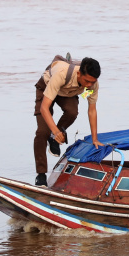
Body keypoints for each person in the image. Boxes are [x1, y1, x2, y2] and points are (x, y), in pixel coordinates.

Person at [33, 56, 102, 186]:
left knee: (72, 112)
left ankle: (54, 140)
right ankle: (41, 175)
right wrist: (55, 131)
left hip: (67, 92)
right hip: (47, 88)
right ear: (79, 73)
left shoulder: (92, 85)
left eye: (92, 82)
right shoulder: (61, 75)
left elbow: (92, 110)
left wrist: (95, 139)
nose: (89, 85)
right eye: (87, 81)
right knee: (43, 132)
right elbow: (44, 108)